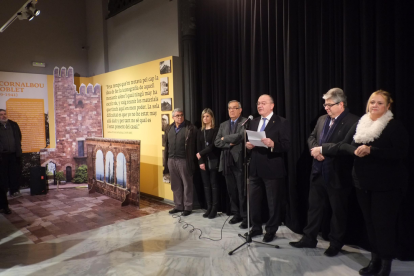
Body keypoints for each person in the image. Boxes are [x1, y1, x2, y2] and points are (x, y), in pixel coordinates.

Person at [339, 90, 409, 276]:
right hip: (362, 183)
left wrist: (372, 150)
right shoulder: (361, 123)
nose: (374, 106)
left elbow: (401, 152)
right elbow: (345, 144)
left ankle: (386, 265)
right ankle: (374, 261)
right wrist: (355, 151)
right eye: (372, 102)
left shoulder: (394, 126)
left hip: (387, 186)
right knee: (370, 224)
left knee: (383, 225)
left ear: (387, 106)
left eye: (379, 103)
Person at [289, 88, 359, 256]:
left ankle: (335, 243)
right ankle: (309, 238)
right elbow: (311, 137)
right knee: (314, 207)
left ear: (340, 104)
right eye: (325, 104)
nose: (325, 107)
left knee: (338, 212)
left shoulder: (354, 122)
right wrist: (316, 150)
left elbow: (346, 147)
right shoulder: (322, 119)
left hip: (337, 174)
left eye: (329, 104)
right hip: (318, 171)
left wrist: (323, 150)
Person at [245, 94, 290, 243]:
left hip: (272, 168)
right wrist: (248, 145)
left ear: (272, 105)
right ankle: (256, 227)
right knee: (254, 201)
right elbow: (251, 141)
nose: (259, 106)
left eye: (263, 103)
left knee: (273, 202)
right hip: (255, 168)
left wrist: (273, 144)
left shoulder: (281, 122)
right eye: (258, 103)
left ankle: (271, 230)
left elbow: (286, 145)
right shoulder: (253, 122)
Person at [215, 100, 248, 228]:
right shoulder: (223, 125)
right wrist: (228, 143)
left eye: (234, 108)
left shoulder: (245, 122)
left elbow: (240, 136)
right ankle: (236, 214)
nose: (231, 110)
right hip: (226, 162)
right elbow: (217, 142)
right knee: (231, 190)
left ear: (240, 110)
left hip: (239, 161)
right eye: (229, 108)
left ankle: (245, 216)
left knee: (242, 190)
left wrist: (225, 138)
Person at [163, 108, 197, 216]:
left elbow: (194, 145)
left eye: (181, 115)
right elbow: (166, 146)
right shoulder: (169, 128)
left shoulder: (190, 128)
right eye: (177, 115)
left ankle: (187, 207)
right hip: (171, 160)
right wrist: (166, 162)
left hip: (184, 160)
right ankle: (178, 205)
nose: (180, 117)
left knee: (187, 184)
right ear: (173, 117)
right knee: (175, 184)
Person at [196, 108, 220, 219]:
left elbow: (213, 146)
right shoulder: (200, 131)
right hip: (203, 162)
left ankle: (214, 208)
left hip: (213, 160)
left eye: (207, 116)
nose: (205, 118)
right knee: (206, 186)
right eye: (203, 116)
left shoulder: (216, 130)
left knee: (213, 185)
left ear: (211, 117)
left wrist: (201, 153)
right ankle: (209, 207)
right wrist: (201, 161)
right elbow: (198, 147)